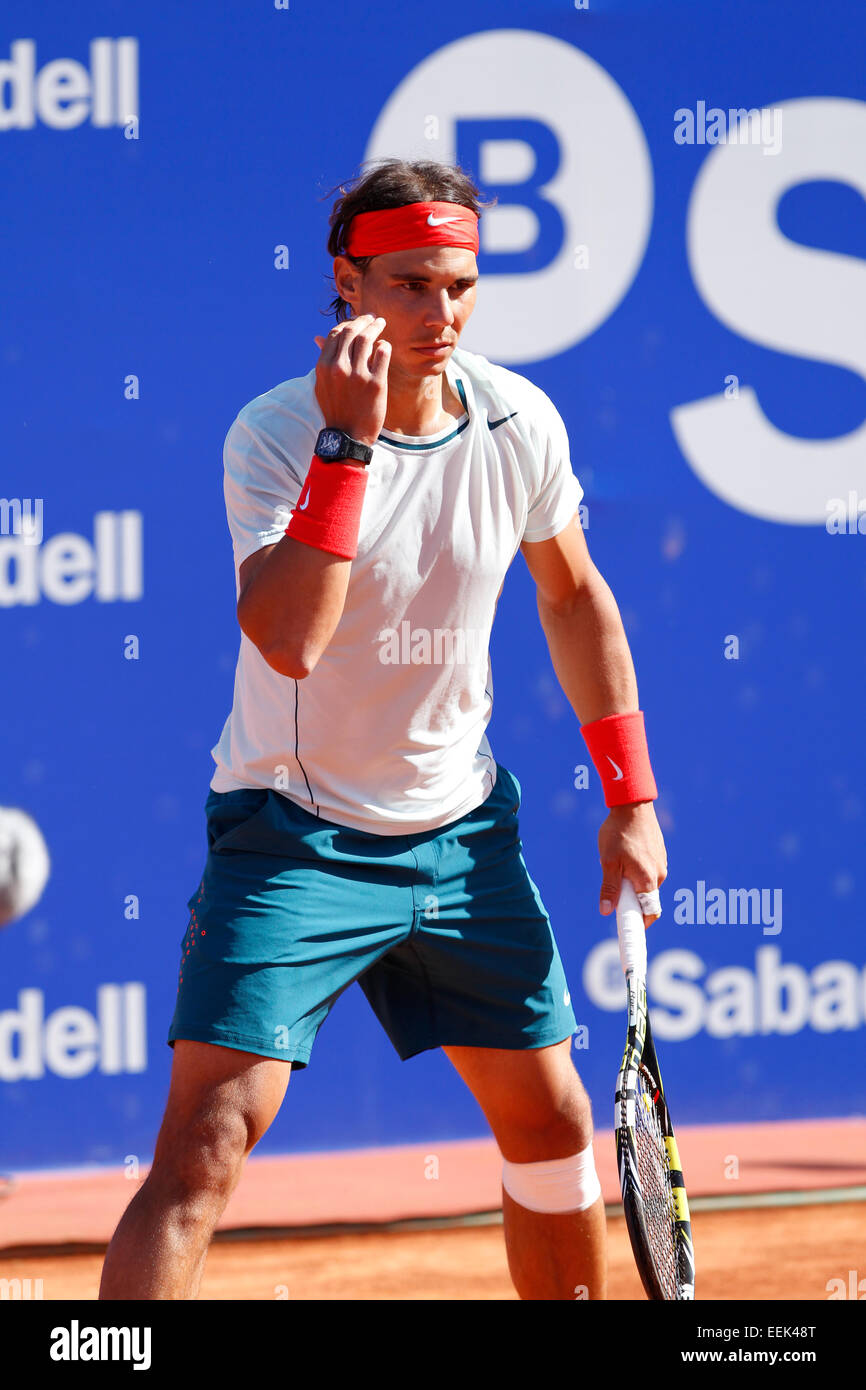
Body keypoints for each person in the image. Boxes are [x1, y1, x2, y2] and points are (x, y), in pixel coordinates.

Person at [99, 157, 667, 1301]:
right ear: (346, 284)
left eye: (458, 285)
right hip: (293, 832)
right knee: (206, 1142)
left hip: (463, 840)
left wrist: (630, 798)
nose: (438, 313)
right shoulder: (273, 433)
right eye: (407, 285)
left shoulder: (516, 420)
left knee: (556, 1128)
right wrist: (346, 445)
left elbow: (570, 597)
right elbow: (290, 637)